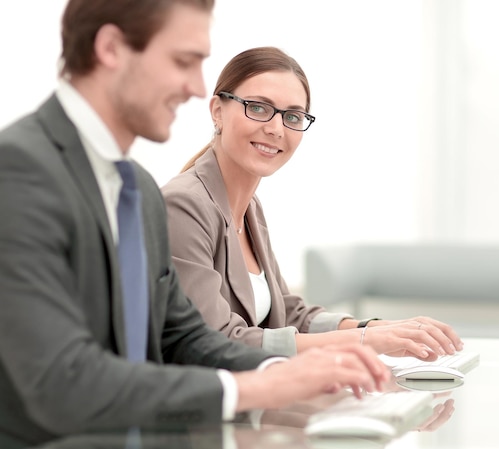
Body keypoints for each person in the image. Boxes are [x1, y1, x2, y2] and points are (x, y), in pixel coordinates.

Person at [0, 1, 389, 446]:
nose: (197, 87)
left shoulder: (138, 190)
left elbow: (184, 336)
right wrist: (255, 386)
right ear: (110, 48)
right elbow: (61, 379)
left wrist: (290, 370)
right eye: (183, 61)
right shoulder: (19, 170)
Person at [161, 46, 465, 359]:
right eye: (259, 107)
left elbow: (290, 315)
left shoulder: (248, 207)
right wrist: (363, 343)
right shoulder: (185, 206)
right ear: (217, 110)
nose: (276, 129)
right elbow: (214, 340)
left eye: (292, 116)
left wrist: (377, 329)